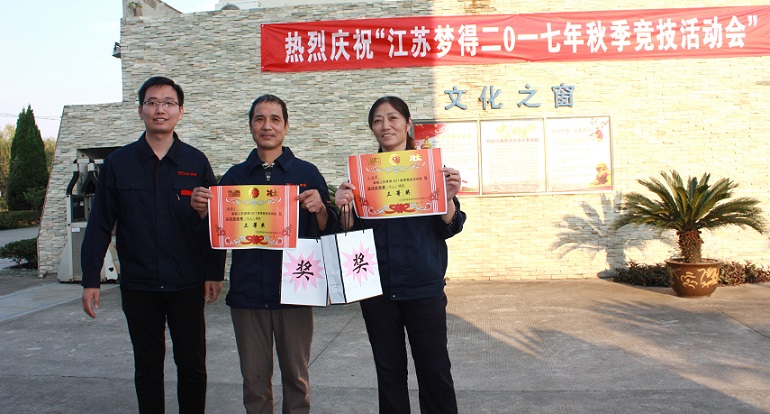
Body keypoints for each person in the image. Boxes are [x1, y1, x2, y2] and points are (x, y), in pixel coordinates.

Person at [80, 76, 223, 414]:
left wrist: (214, 272)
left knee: (192, 364)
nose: (160, 109)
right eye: (152, 102)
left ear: (180, 111)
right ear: (140, 109)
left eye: (168, 103)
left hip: (186, 283)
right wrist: (90, 279)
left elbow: (217, 222)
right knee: (147, 367)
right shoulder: (119, 163)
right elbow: (100, 224)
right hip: (139, 285)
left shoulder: (195, 162)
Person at [190, 94, 337, 414]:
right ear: (250, 126)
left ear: (286, 126)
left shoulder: (307, 173)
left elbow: (329, 231)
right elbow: (215, 237)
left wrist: (321, 210)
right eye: (260, 119)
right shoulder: (234, 178)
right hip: (248, 293)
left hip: (295, 292)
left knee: (296, 379)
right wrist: (203, 214)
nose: (267, 126)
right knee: (254, 382)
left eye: (274, 119)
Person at [334, 96, 466, 414]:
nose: (386, 125)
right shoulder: (363, 177)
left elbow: (450, 227)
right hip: (377, 291)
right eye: (378, 120)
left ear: (408, 124)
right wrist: (344, 207)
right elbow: (351, 232)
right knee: (389, 375)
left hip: (424, 287)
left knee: (435, 372)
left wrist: (447, 197)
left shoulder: (429, 171)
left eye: (393, 118)